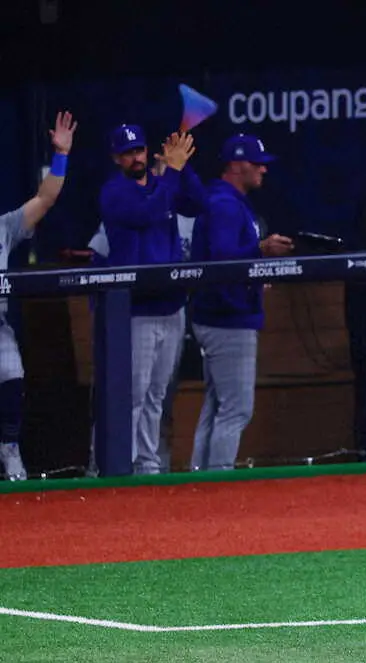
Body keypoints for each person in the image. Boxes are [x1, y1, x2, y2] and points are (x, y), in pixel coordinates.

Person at [100, 124, 207, 474]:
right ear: (116, 158)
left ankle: (147, 463)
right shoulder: (114, 192)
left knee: (157, 394)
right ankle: (118, 464)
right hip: (137, 310)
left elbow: (199, 203)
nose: (136, 158)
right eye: (128, 153)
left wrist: (183, 167)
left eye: (140, 150)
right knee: (133, 393)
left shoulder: (164, 185)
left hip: (171, 306)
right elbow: (145, 213)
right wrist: (172, 172)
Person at [188, 134, 293, 471]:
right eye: (256, 163)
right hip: (227, 318)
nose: (263, 169)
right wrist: (260, 250)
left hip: (221, 314)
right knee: (236, 409)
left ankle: (200, 480)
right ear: (236, 164)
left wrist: (255, 274)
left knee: (218, 405)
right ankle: (218, 480)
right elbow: (221, 261)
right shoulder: (224, 203)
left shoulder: (229, 200)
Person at [0, 111, 76, 481]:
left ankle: (9, 448)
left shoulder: (4, 227)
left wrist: (61, 154)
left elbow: (45, 199)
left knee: (12, 373)